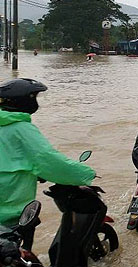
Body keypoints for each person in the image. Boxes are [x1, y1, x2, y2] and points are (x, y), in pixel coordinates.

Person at [0, 78, 96, 250]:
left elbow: (11, 158)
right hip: (9, 211)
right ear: (24, 100)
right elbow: (49, 161)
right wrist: (86, 173)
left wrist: (36, 173)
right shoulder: (20, 128)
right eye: (34, 97)